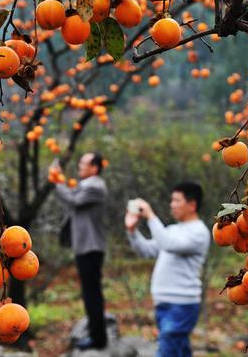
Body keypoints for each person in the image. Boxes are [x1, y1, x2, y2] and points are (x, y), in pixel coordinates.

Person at [125, 182, 211, 357]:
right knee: (179, 350)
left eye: (177, 200)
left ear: (192, 205)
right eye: (172, 200)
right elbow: (146, 250)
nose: (172, 205)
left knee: (167, 351)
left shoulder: (199, 232)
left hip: (182, 304)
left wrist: (150, 216)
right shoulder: (172, 230)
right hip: (164, 303)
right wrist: (132, 231)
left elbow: (168, 244)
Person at [53, 152, 108, 350]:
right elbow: (74, 195)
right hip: (85, 246)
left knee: (92, 293)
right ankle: (96, 334)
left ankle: (98, 338)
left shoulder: (95, 186)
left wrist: (56, 180)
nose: (79, 166)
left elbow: (73, 200)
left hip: (91, 247)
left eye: (83, 163)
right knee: (89, 292)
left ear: (95, 167)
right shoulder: (87, 185)